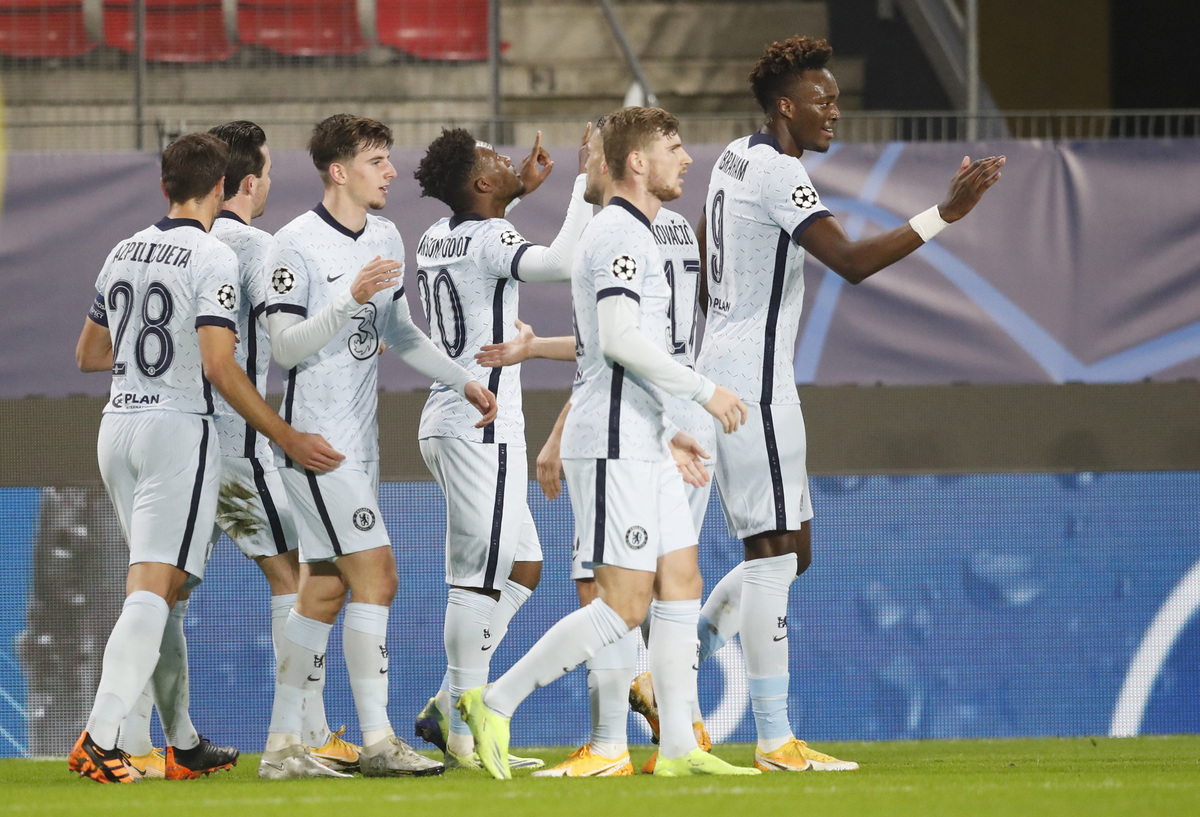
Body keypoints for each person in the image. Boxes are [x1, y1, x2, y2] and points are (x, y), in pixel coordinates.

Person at [685, 35, 1005, 772]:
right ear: (785, 105)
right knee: (771, 555)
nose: (835, 111)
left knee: (793, 552)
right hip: (753, 385)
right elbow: (853, 262)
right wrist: (946, 213)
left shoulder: (734, 156)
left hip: (741, 371)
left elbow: (706, 256)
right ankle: (774, 739)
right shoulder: (779, 172)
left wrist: (720, 332)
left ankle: (671, 667)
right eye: (822, 101)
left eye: (837, 99)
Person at [456, 106, 755, 780]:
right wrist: (705, 392)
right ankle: (493, 700)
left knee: (681, 582)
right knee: (622, 604)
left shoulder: (637, 232)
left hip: (644, 435)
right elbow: (618, 341)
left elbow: (608, 346)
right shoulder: (619, 233)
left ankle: (677, 745)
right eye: (673, 147)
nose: (686, 158)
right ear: (638, 162)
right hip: (613, 441)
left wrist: (669, 429)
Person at [70, 132, 344, 783]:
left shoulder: (122, 249)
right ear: (222, 187)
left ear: (164, 184)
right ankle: (102, 736)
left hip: (117, 427)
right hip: (175, 432)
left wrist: (149, 362)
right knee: (161, 588)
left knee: (159, 588)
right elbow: (221, 366)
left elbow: (88, 354)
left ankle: (159, 740)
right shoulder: (213, 254)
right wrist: (285, 435)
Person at [258, 114, 497, 779]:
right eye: (376, 160)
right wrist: (348, 297)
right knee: (379, 576)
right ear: (339, 171)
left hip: (359, 442)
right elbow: (284, 348)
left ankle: (281, 746)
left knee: (325, 590)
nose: (391, 171)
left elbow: (402, 332)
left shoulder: (388, 235)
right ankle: (378, 740)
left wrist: (462, 379)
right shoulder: (294, 244)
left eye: (388, 158)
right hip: (316, 443)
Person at [409, 126, 593, 770]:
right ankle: (468, 732)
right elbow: (560, 264)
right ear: (482, 183)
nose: (509, 157)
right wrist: (584, 182)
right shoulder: (491, 236)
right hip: (478, 424)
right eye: (495, 158)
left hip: (458, 419)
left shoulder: (438, 234)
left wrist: (514, 195)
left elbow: (483, 232)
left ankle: (444, 706)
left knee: (523, 566)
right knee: (477, 579)